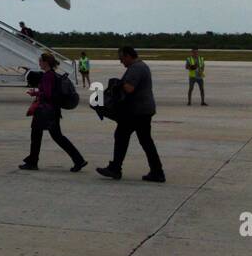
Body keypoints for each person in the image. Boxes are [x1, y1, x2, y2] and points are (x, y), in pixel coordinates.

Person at [97, 46, 165, 183]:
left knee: (123, 136)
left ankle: (116, 168)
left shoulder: (136, 68)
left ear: (128, 56)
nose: (121, 62)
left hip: (137, 112)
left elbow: (129, 88)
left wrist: (117, 84)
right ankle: (157, 171)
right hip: (143, 110)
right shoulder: (141, 66)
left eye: (122, 59)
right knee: (145, 141)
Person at [19, 54, 86, 172]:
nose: (39, 63)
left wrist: (36, 94)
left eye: (40, 61)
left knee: (50, 136)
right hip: (52, 110)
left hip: (46, 111)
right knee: (39, 135)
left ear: (46, 62)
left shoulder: (47, 76)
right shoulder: (53, 75)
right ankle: (32, 160)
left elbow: (48, 95)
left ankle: (78, 160)